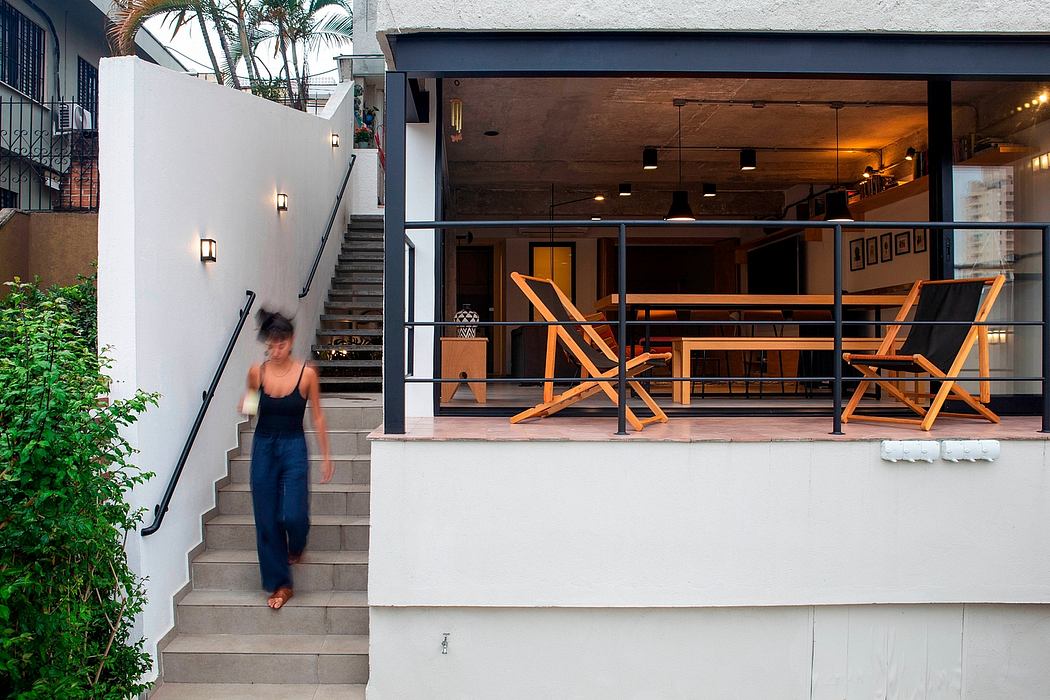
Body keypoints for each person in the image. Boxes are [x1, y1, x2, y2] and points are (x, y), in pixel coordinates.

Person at [240, 309, 333, 610]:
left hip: (293, 446)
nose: (275, 350)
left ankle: (297, 543)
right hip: (264, 446)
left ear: (290, 342)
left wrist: (326, 456)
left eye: (280, 344)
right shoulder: (258, 372)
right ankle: (281, 584)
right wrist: (246, 404)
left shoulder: (307, 374)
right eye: (271, 345)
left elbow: (317, 415)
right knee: (266, 518)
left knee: (292, 514)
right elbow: (252, 406)